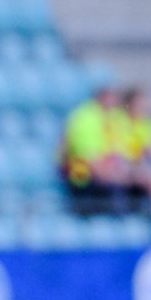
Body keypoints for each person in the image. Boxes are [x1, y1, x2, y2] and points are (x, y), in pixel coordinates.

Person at [60, 86, 132, 214]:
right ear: (102, 98)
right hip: (77, 168)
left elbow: (121, 150)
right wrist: (109, 173)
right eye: (112, 99)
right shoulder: (84, 117)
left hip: (105, 168)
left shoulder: (116, 118)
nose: (114, 103)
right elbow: (87, 155)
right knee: (98, 179)